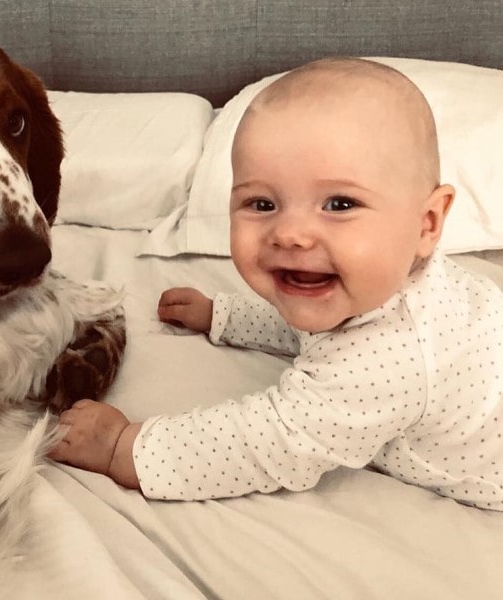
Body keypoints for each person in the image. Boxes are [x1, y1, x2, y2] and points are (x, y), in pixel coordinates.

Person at [48, 57, 503, 509]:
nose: (289, 233)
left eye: (340, 204)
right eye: (262, 204)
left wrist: (125, 447)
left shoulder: (386, 359)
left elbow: (268, 443)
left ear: (426, 224)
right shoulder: (373, 286)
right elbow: (313, 320)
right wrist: (225, 315)